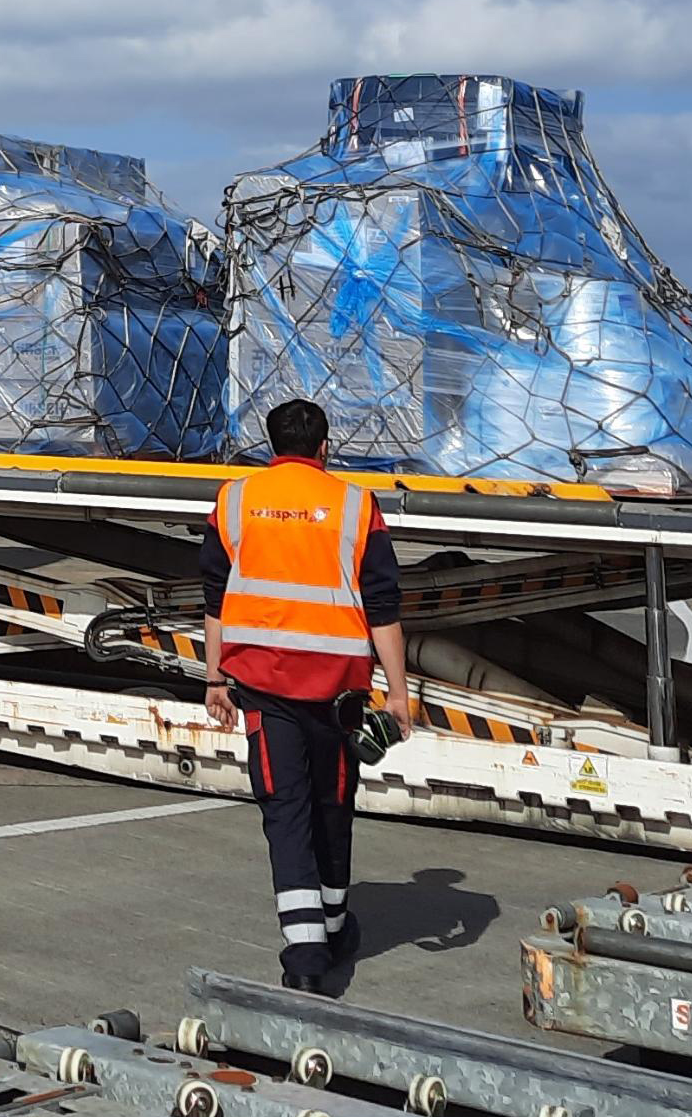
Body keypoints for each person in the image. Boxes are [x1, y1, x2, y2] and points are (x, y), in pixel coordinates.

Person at [201, 396, 413, 996]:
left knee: (284, 810)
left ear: (272, 448)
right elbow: (384, 607)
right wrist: (398, 696)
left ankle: (305, 956)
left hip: (263, 686)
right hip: (338, 693)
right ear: (325, 448)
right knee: (332, 803)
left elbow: (215, 597)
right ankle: (331, 926)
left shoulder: (235, 500)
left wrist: (215, 678)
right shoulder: (355, 506)